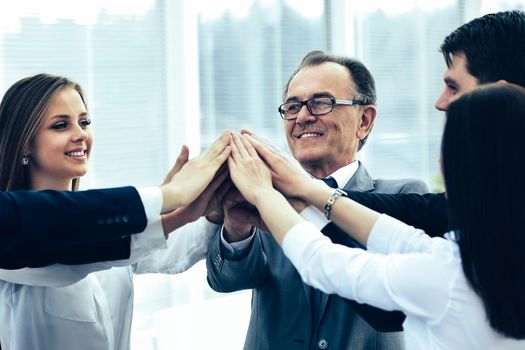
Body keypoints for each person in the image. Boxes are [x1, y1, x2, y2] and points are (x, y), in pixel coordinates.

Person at [226, 83, 525, 349]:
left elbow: (321, 262)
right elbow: (402, 238)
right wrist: (306, 195)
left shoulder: (446, 276)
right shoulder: (485, 257)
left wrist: (264, 194)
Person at [206, 51, 428, 349]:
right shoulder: (265, 193)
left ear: (364, 120)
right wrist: (236, 229)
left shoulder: (402, 196)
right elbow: (225, 280)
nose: (303, 116)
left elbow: (394, 293)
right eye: (293, 105)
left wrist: (294, 197)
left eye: (321, 103)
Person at [0, 73, 231, 350]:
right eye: (61, 125)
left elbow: (163, 249)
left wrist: (214, 207)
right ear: (25, 142)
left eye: (84, 122)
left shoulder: (103, 224)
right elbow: (66, 256)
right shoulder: (13, 235)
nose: (81, 134)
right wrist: (168, 199)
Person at [341, 9, 525, 238]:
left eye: (454, 87)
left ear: (498, 94)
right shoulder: (493, 191)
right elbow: (420, 212)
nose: (440, 102)